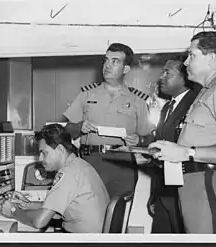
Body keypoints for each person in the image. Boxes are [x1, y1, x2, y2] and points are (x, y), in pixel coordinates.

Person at [148, 31, 216, 234]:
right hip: (192, 184)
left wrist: (187, 152)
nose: (187, 62)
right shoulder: (206, 91)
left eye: (192, 55)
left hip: (208, 183)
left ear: (212, 57)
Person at [63, 43, 155, 198]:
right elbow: (67, 131)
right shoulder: (86, 94)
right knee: (89, 212)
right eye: (106, 60)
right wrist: (79, 127)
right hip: (90, 161)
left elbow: (150, 138)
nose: (107, 65)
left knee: (117, 213)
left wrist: (139, 140)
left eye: (115, 61)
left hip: (122, 163)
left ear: (126, 69)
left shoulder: (138, 100)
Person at [0, 123, 110, 233]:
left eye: (44, 153)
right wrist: (27, 205)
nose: (40, 158)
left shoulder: (68, 173)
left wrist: (13, 211)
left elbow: (39, 221)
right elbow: (57, 210)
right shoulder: (79, 165)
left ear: (60, 150)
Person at [133, 59, 202, 233]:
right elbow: (160, 150)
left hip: (185, 190)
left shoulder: (196, 105)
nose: (161, 77)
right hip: (164, 190)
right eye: (162, 72)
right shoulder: (167, 108)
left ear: (185, 77)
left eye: (168, 73)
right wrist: (155, 194)